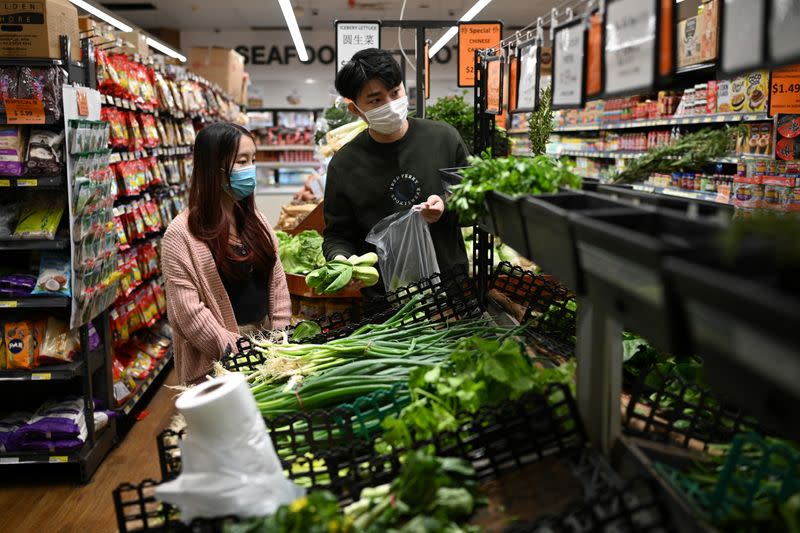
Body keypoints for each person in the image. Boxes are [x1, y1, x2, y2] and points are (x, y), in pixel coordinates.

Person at [323, 48, 469, 292]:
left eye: (395, 92)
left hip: (451, 289)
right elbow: (337, 236)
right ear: (355, 110)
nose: (391, 105)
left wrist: (446, 205)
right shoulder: (344, 164)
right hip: (386, 304)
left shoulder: (444, 138)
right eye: (376, 100)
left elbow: (477, 207)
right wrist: (341, 262)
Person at [162, 122, 291, 385]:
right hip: (216, 366)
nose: (251, 169)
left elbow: (277, 283)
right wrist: (241, 352)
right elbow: (188, 313)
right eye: (242, 161)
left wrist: (279, 340)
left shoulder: (256, 221)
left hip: (269, 351)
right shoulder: (180, 235)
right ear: (214, 168)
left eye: (253, 160)